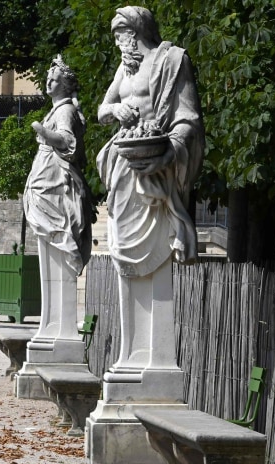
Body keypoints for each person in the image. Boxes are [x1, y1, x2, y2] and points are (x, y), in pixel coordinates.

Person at [95, 6, 204, 375]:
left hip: (156, 168)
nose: (116, 43)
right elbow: (101, 109)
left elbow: (188, 118)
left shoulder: (173, 62)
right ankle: (131, 357)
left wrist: (169, 151)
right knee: (122, 256)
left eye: (118, 35)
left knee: (154, 256)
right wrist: (118, 110)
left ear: (134, 31)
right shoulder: (125, 68)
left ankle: (152, 362)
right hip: (125, 167)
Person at [23, 55, 93, 340]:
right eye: (48, 77)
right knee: (49, 239)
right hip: (47, 180)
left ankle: (57, 330)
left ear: (65, 85)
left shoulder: (64, 112)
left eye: (55, 78)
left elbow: (68, 143)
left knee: (56, 237)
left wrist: (42, 131)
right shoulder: (59, 109)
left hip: (54, 183)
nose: (48, 81)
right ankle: (52, 328)